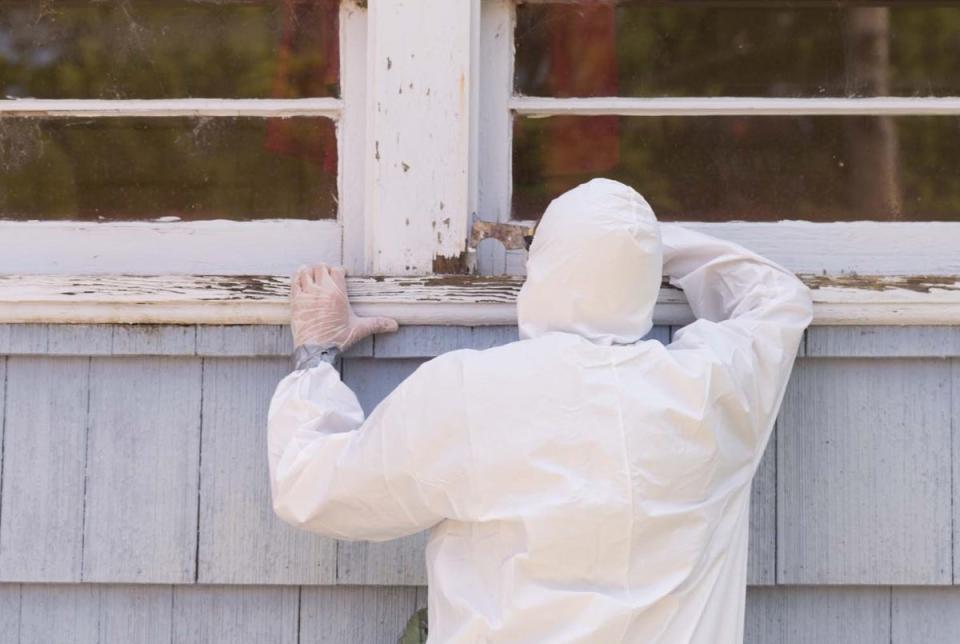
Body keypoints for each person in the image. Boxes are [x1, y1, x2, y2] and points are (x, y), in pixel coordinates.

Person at [267, 178, 813, 643]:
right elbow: (775, 297)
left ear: (545, 268)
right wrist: (633, 248)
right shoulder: (708, 392)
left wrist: (316, 354)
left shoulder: (469, 392)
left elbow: (314, 486)